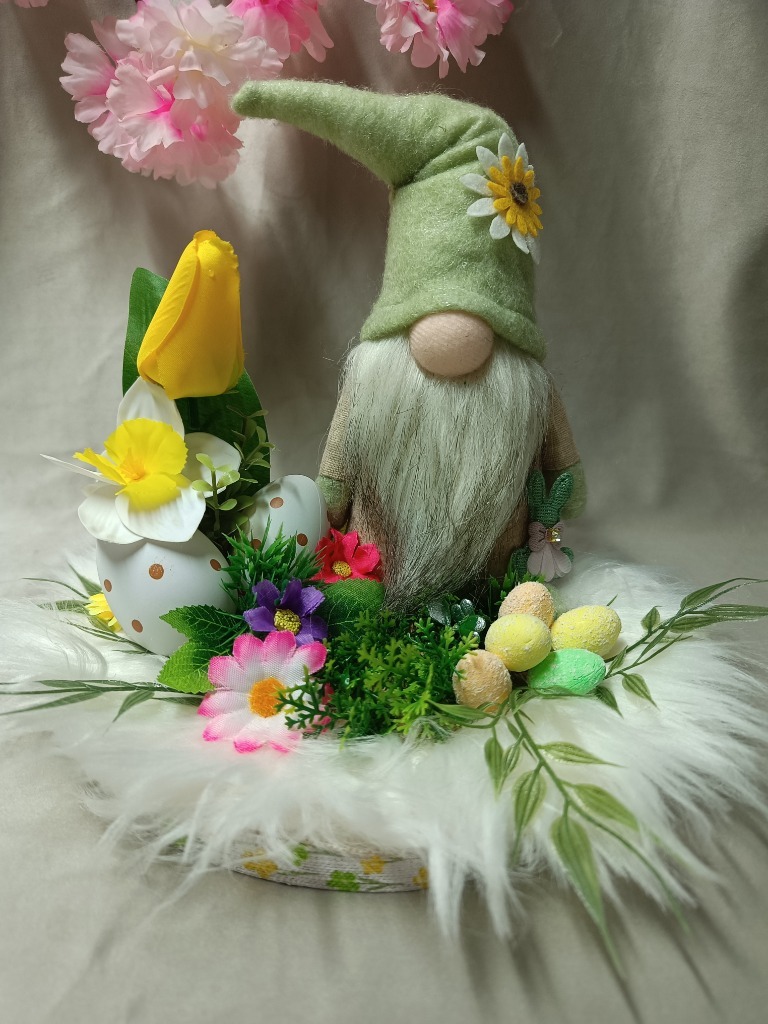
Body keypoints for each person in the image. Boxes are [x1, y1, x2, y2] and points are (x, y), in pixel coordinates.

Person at [234, 81, 585, 607]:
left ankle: (493, 604)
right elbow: (339, 465)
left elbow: (561, 466)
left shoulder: (528, 391)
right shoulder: (374, 381)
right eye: (430, 309)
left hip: (500, 575)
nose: (456, 334)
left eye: (482, 314)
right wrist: (327, 497)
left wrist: (565, 481)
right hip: (377, 569)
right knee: (363, 596)